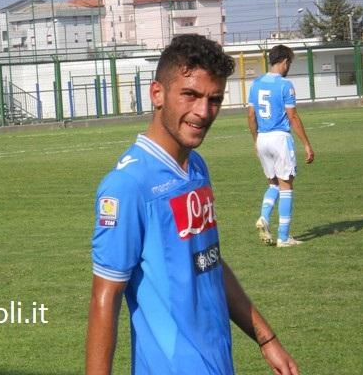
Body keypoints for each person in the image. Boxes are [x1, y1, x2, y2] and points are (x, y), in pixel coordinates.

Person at [86, 34, 299, 375]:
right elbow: (105, 298)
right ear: (157, 93)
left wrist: (266, 339)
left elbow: (209, 261)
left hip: (217, 361)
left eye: (214, 99)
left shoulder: (196, 167)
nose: (203, 112)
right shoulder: (127, 185)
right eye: (190, 95)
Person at [247, 45, 314, 247]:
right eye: (289, 63)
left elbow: (251, 116)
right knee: (286, 186)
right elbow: (292, 116)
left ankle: (264, 217)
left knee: (273, 184)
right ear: (284, 61)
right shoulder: (285, 85)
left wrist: (255, 140)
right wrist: (307, 144)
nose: (289, 67)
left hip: (262, 138)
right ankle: (283, 237)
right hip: (279, 139)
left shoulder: (255, 84)